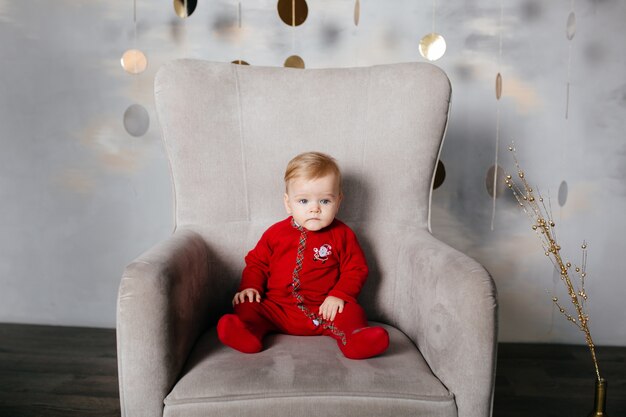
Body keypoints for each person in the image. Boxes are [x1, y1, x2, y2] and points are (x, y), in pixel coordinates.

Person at [217, 152, 389, 359]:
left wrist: (340, 295)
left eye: (325, 201)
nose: (314, 209)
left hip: (324, 310)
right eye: (304, 201)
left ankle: (355, 339)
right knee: (247, 305)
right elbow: (257, 263)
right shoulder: (275, 234)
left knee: (353, 313)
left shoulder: (342, 235)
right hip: (277, 309)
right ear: (288, 203)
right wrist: (250, 287)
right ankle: (247, 331)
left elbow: (356, 268)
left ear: (339, 201)